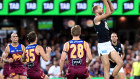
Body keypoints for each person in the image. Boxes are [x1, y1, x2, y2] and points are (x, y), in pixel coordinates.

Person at [92, 0, 123, 79]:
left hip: (108, 44)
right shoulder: (96, 19)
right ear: (96, 11)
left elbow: (112, 10)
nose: (102, 9)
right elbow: (109, 13)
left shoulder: (103, 16)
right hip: (102, 45)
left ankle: (112, 77)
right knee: (107, 67)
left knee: (120, 62)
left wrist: (109, 1)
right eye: (100, 8)